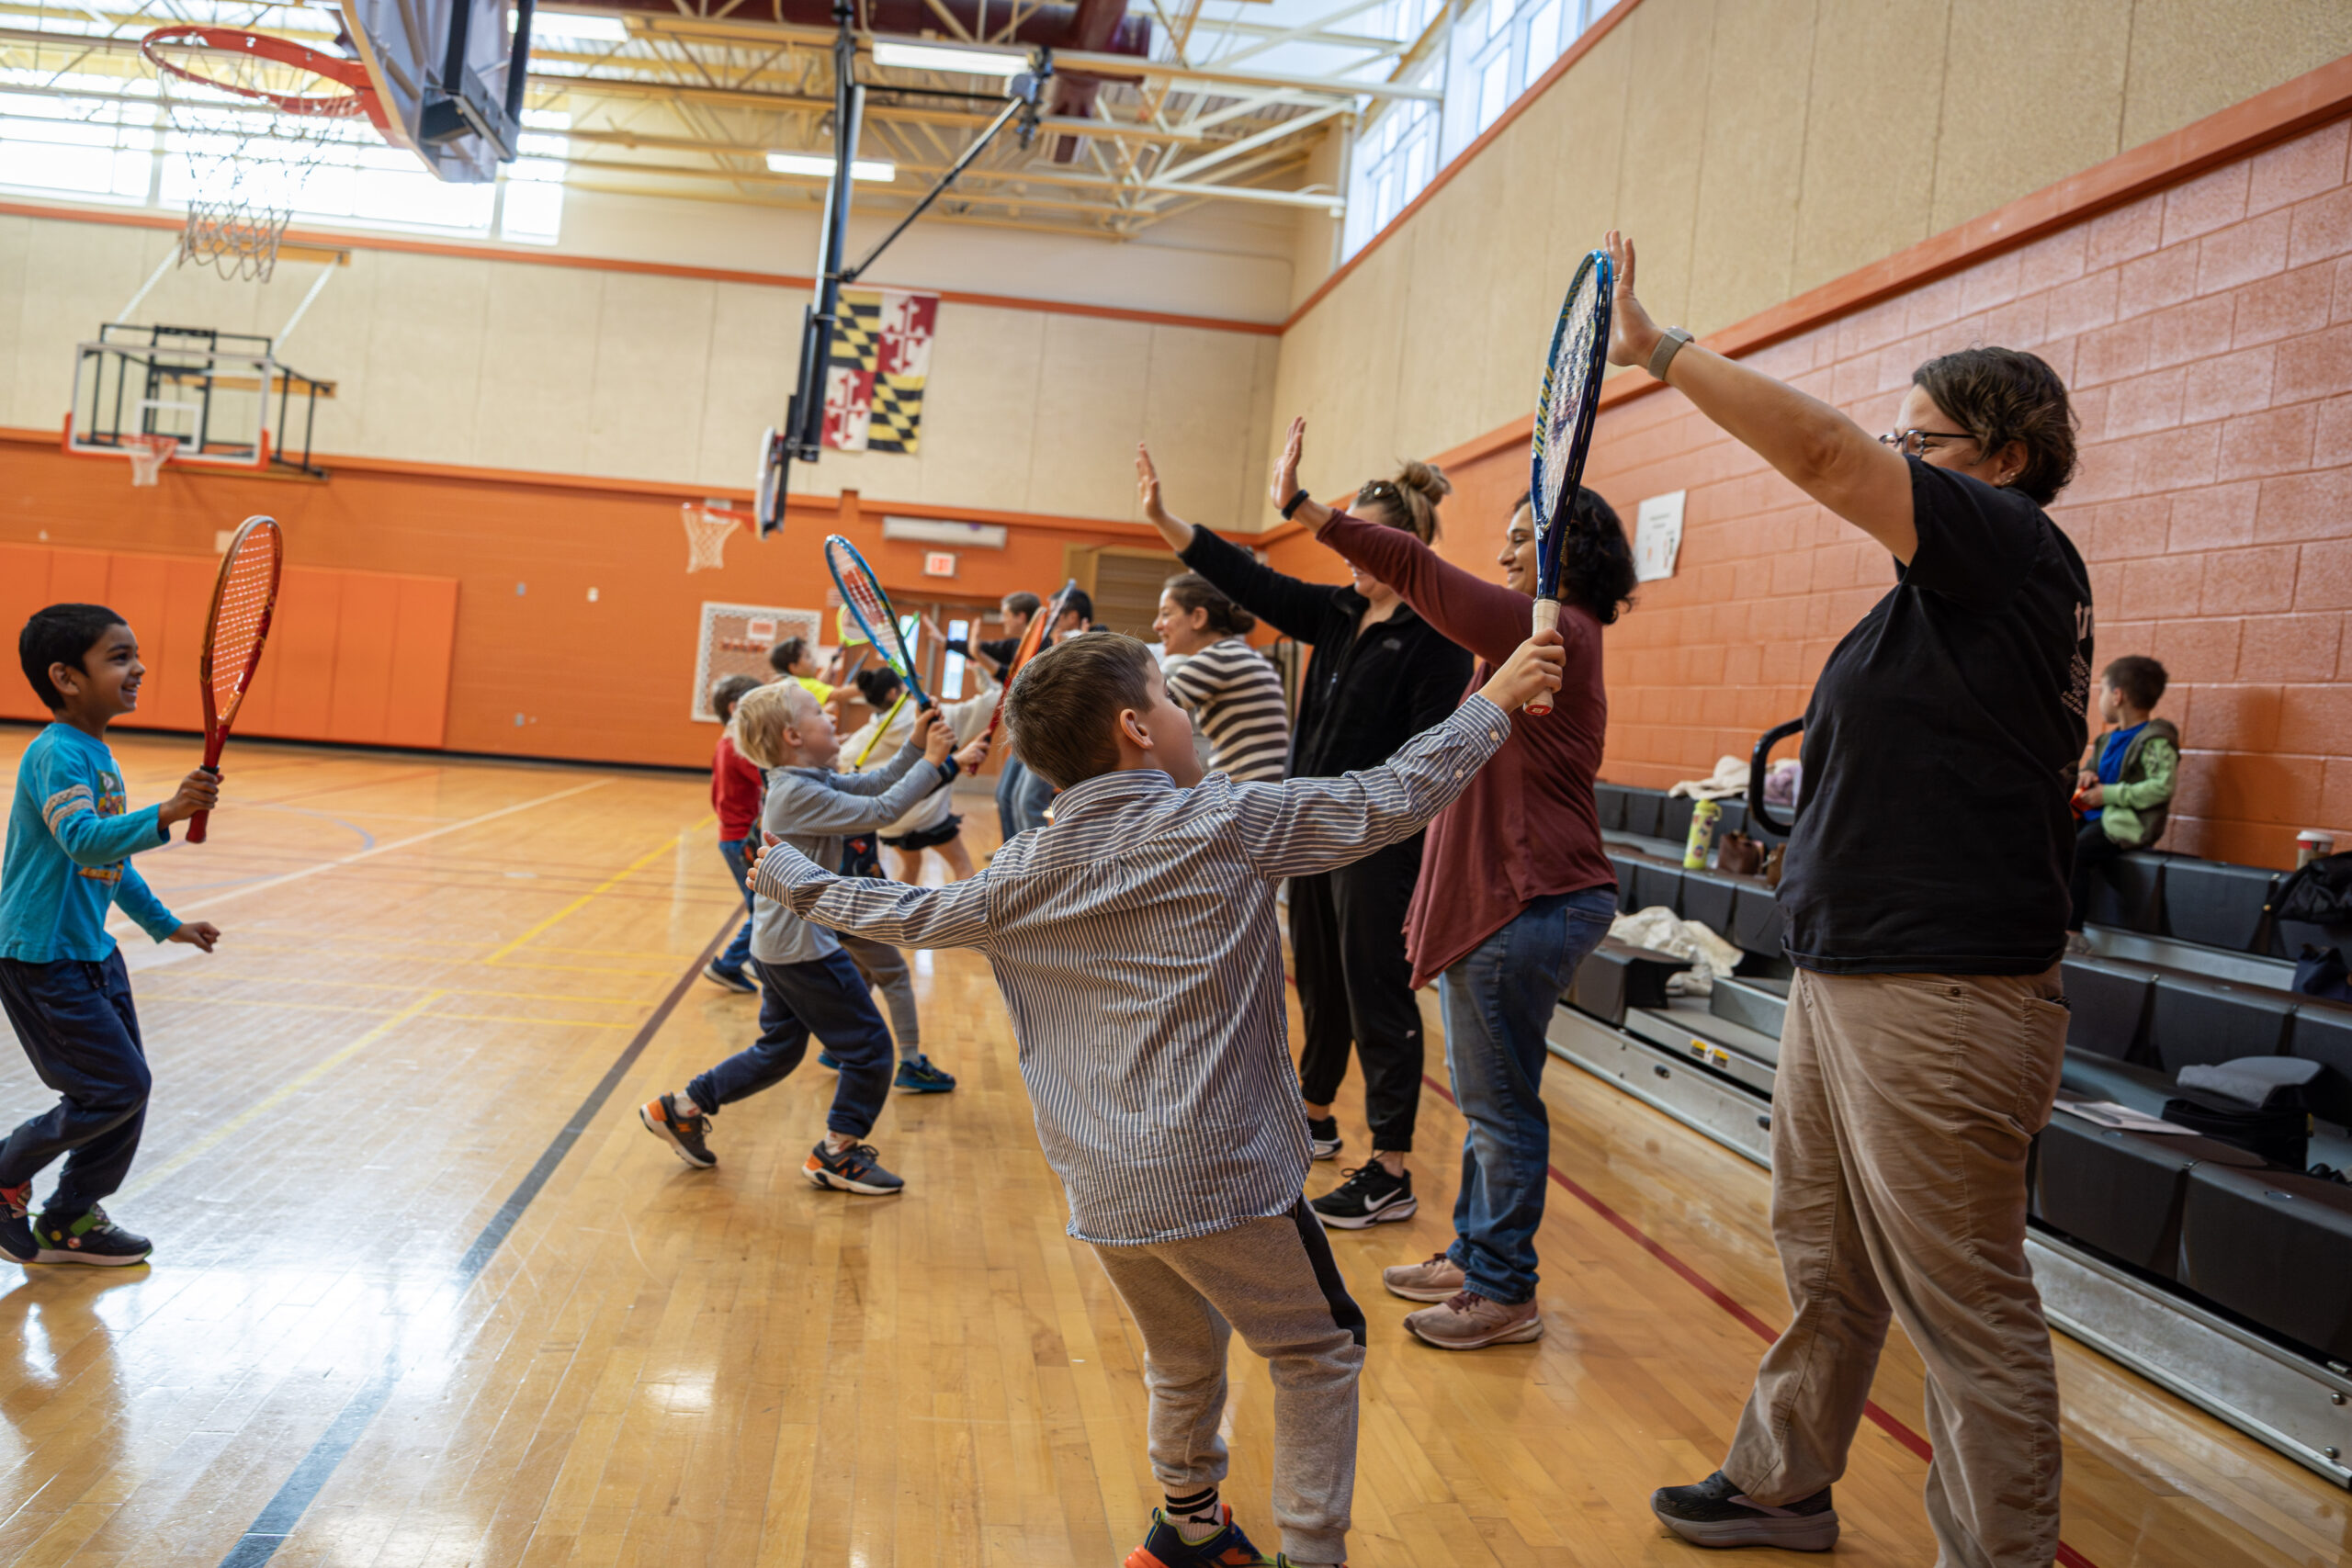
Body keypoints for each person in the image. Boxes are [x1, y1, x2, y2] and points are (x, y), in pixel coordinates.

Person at [750, 628, 1569, 1568]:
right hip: (1223, 1180)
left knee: (1183, 1353)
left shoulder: (1021, 870)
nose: (1188, 718)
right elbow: (1392, 797)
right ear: (1137, 727)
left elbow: (904, 913)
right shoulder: (1227, 820)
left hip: (1102, 1190)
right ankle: (1312, 1556)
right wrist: (1494, 698)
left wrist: (792, 876)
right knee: (1319, 1349)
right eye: (1173, 700)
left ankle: (1186, 1526)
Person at [1601, 231, 2091, 1567]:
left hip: (1939, 989)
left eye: (1923, 438)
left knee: (1966, 1300)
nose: (1896, 451)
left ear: (2001, 457)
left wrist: (1662, 351)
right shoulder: (1942, 602)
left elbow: (1824, 459)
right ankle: (1784, 1482)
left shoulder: (2012, 546)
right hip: (1854, 970)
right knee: (1827, 1255)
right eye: (1900, 430)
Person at [1270, 422, 1634, 1348]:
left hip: (1531, 898)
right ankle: (1478, 1255)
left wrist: (1311, 512)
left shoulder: (1549, 624)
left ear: (1561, 556)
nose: (1503, 550)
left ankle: (1503, 1287)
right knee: (1489, 1100)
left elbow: (1419, 571)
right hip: (1532, 898)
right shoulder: (1543, 636)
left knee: (1499, 1106)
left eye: (1519, 536)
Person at [1137, 442, 1473, 1231]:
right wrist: (1164, 521)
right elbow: (1249, 580)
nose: (1346, 551)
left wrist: (1393, 828)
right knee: (1318, 982)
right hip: (1311, 830)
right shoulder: (1343, 612)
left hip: (1382, 839)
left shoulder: (1439, 635)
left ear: (1404, 549)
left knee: (1375, 993)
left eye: (1362, 539)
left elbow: (1433, 753)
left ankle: (1390, 1165)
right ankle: (1314, 1116)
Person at [638, 682, 986, 1187]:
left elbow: (875, 786)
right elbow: (882, 811)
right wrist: (934, 761)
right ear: (793, 735)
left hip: (779, 947)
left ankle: (681, 1108)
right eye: (820, 712)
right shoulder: (797, 794)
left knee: (778, 1050)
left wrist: (915, 744)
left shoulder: (806, 779)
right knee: (869, 1048)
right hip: (803, 949)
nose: (831, 716)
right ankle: (836, 1153)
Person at [1, 604, 224, 1266]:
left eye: (135, 654)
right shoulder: (54, 754)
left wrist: (166, 924)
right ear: (66, 678)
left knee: (129, 1088)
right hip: (42, 957)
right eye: (119, 656)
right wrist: (169, 810)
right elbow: (80, 839)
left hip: (92, 952)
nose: (139, 667)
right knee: (114, 1087)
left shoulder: (97, 755)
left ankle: (70, 1220)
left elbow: (108, 862)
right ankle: (6, 1170)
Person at [842, 664, 997, 883]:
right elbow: (982, 707)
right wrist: (995, 676)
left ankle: (901, 915)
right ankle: (969, 916)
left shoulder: (861, 739)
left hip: (892, 822)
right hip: (928, 816)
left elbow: (843, 764)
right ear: (894, 693)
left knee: (911, 865)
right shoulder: (932, 718)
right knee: (961, 864)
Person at [2069, 656, 2178, 942]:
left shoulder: (2155, 739)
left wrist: (2108, 794)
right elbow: (2095, 769)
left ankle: (2072, 932)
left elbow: (2161, 787)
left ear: (2118, 696)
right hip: (2094, 817)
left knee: (2076, 853)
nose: (2101, 698)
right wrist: (2087, 775)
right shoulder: (2108, 739)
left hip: (2124, 824)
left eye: (2102, 690)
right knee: (2053, 843)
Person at [1151, 572, 1290, 784]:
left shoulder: (1219, 657)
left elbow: (1152, 706)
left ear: (1198, 617)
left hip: (1245, 791)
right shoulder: (1235, 653)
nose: (1157, 625)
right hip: (1263, 788)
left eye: (1166, 614)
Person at [1008, 590, 1098, 835]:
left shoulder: (1097, 638)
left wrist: (1070, 651)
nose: (1051, 618)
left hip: (1066, 736)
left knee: (1029, 801)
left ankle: (1039, 869)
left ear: (1072, 617)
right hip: (1046, 732)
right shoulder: (1053, 641)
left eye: (1057, 612)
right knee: (1017, 798)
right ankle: (1022, 865)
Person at [702, 674, 765, 993]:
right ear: (736, 707)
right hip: (742, 840)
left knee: (761, 905)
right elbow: (770, 780)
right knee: (764, 908)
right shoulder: (738, 747)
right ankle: (729, 964)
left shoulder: (729, 742)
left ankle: (749, 960)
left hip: (735, 837)